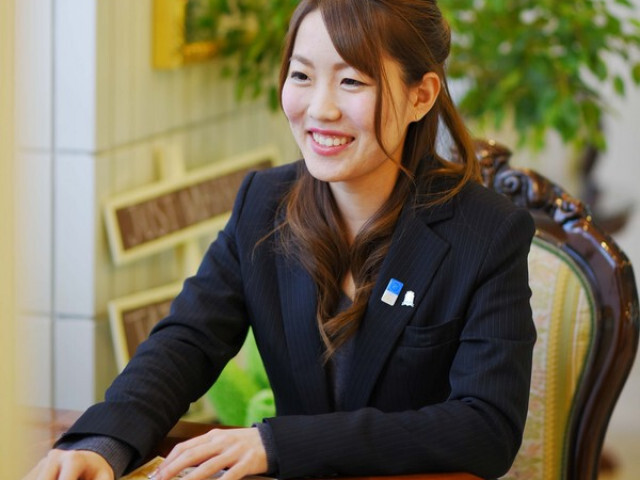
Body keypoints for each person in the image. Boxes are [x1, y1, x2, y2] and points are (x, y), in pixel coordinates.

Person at [26, 1, 536, 479]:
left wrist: (279, 445)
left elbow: (486, 426)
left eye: (352, 81)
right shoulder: (264, 203)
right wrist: (102, 444)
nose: (320, 109)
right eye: (301, 75)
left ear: (420, 96)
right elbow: (187, 342)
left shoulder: (487, 233)